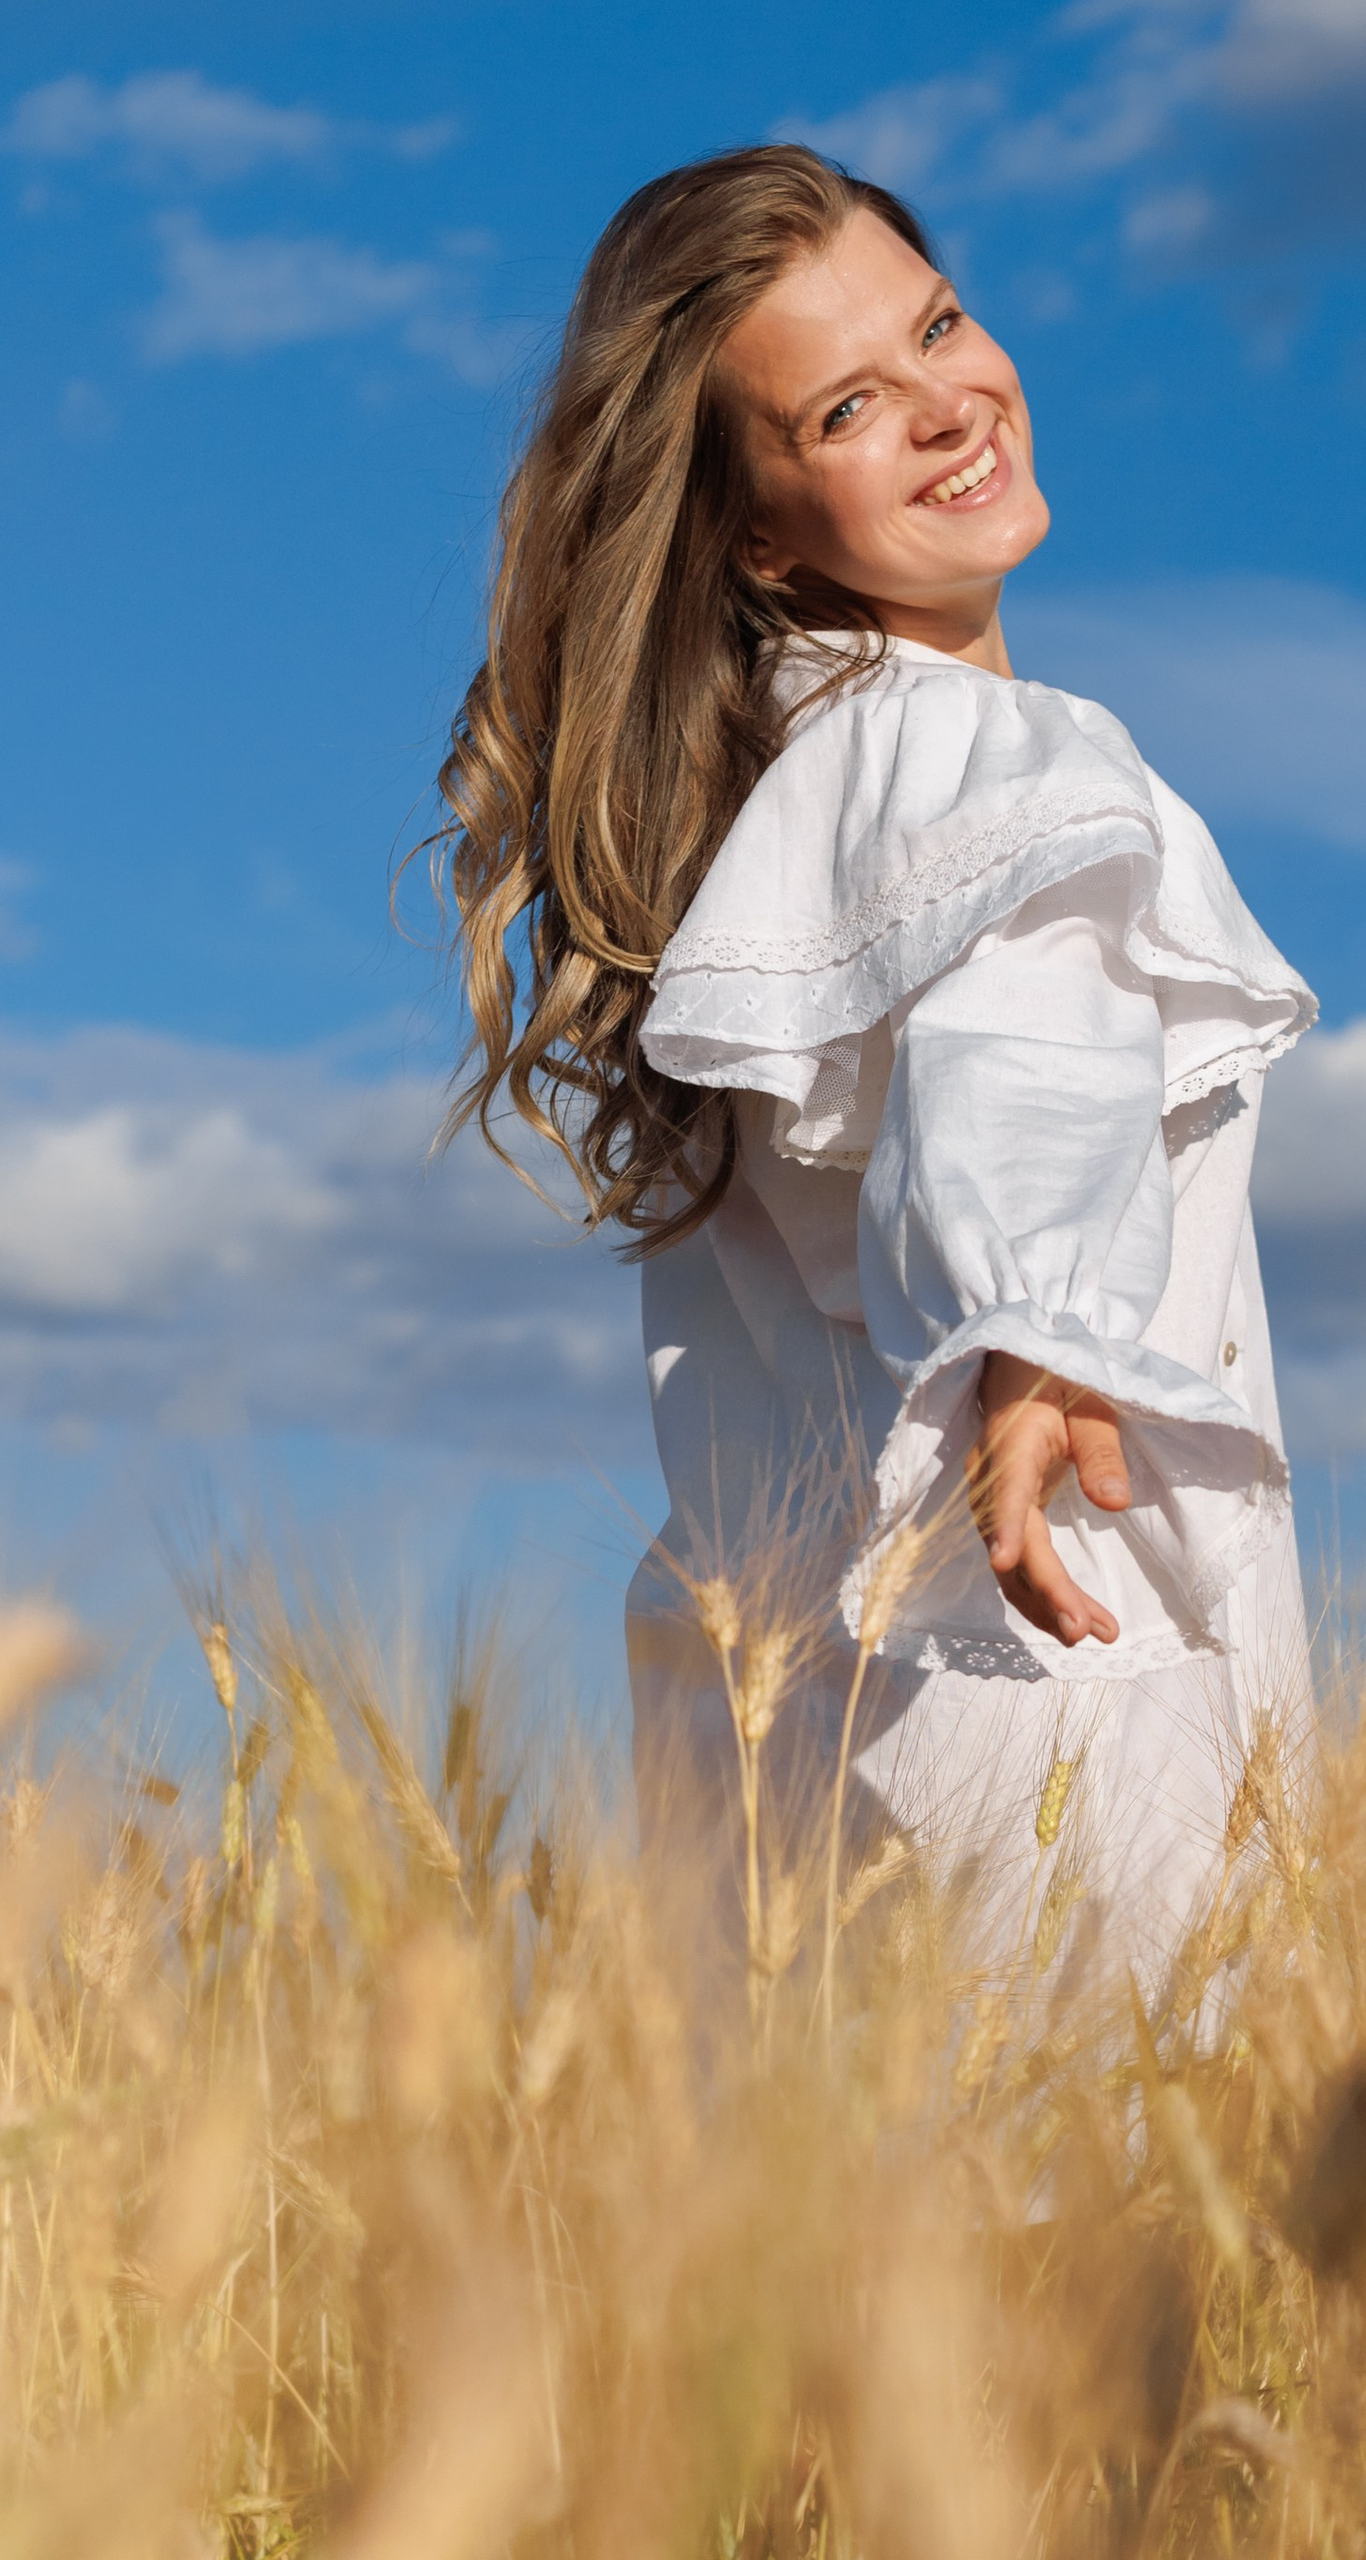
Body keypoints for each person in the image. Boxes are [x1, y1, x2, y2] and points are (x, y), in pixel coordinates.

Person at [438, 146, 1316, 1981]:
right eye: (849, 406)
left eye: (939, 327)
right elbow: (1027, 1021)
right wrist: (1038, 1327)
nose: (946, 407)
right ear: (760, 533)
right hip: (1040, 1663)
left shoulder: (783, 802)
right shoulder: (956, 750)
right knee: (1112, 2231)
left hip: (796, 1735)